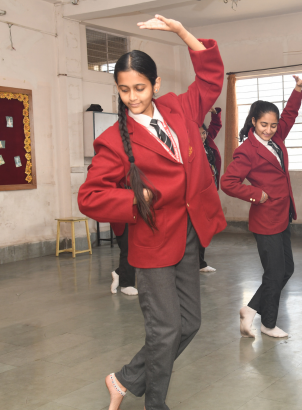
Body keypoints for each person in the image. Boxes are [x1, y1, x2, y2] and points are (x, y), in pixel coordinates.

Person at [77, 15, 225, 410]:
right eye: (124, 89)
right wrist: (134, 199)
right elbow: (89, 197)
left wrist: (181, 32)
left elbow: (211, 78)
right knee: (166, 330)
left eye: (140, 88)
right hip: (153, 242)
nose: (132, 97)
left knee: (189, 323)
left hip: (188, 233)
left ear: (155, 85)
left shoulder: (178, 108)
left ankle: (124, 379)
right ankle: (155, 403)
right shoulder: (113, 140)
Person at [221, 75, 302, 339]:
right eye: (263, 125)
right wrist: (256, 194)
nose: (268, 130)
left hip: (282, 215)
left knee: (286, 270)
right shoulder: (246, 150)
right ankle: (268, 324)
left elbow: (289, 115)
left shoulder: (277, 137)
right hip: (266, 219)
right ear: (253, 122)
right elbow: (227, 182)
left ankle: (250, 309)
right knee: (275, 272)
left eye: (272, 125)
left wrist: (298, 89)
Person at [198, 107, 222, 273]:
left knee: (205, 227)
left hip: (210, 192)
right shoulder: (190, 147)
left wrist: (214, 112)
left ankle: (200, 263)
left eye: (204, 133)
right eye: (199, 133)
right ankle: (197, 262)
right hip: (197, 194)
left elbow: (216, 125)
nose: (202, 136)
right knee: (198, 228)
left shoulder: (208, 143)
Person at [110, 223, 138, 295]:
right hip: (124, 220)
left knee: (139, 248)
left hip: (138, 219)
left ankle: (119, 272)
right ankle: (126, 284)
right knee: (128, 248)